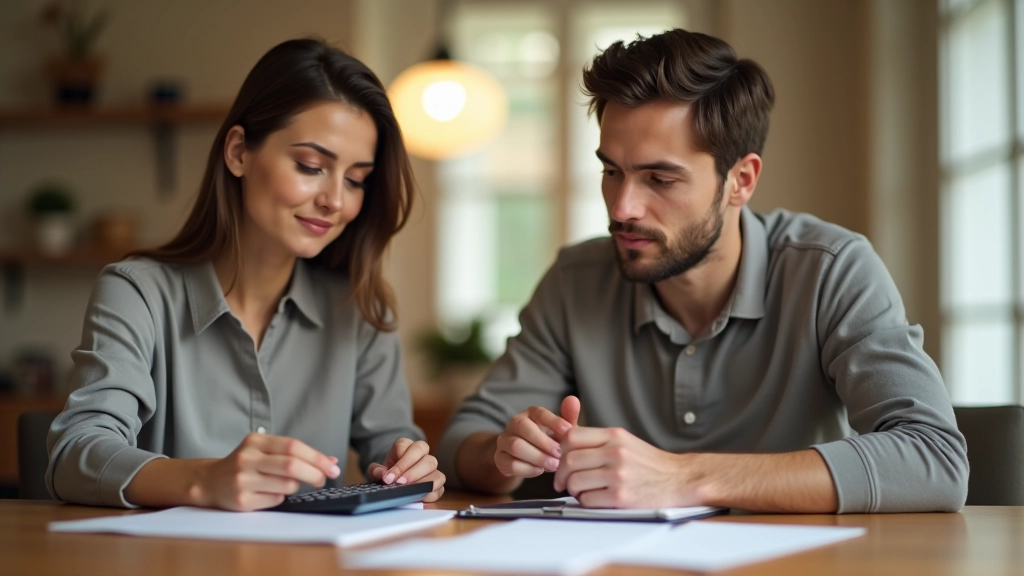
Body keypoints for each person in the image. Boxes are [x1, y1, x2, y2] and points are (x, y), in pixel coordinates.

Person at [437, 29, 967, 514]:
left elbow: (934, 459)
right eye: (611, 171)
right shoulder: (576, 280)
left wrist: (683, 476)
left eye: (660, 180)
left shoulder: (831, 269)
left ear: (741, 180)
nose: (622, 208)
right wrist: (504, 454)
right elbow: (464, 440)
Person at [46, 38, 445, 510]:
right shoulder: (137, 293)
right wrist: (204, 480)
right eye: (310, 166)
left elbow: (393, 447)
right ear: (238, 152)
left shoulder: (359, 311)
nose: (335, 200)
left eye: (356, 179)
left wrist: (412, 468)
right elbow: (75, 455)